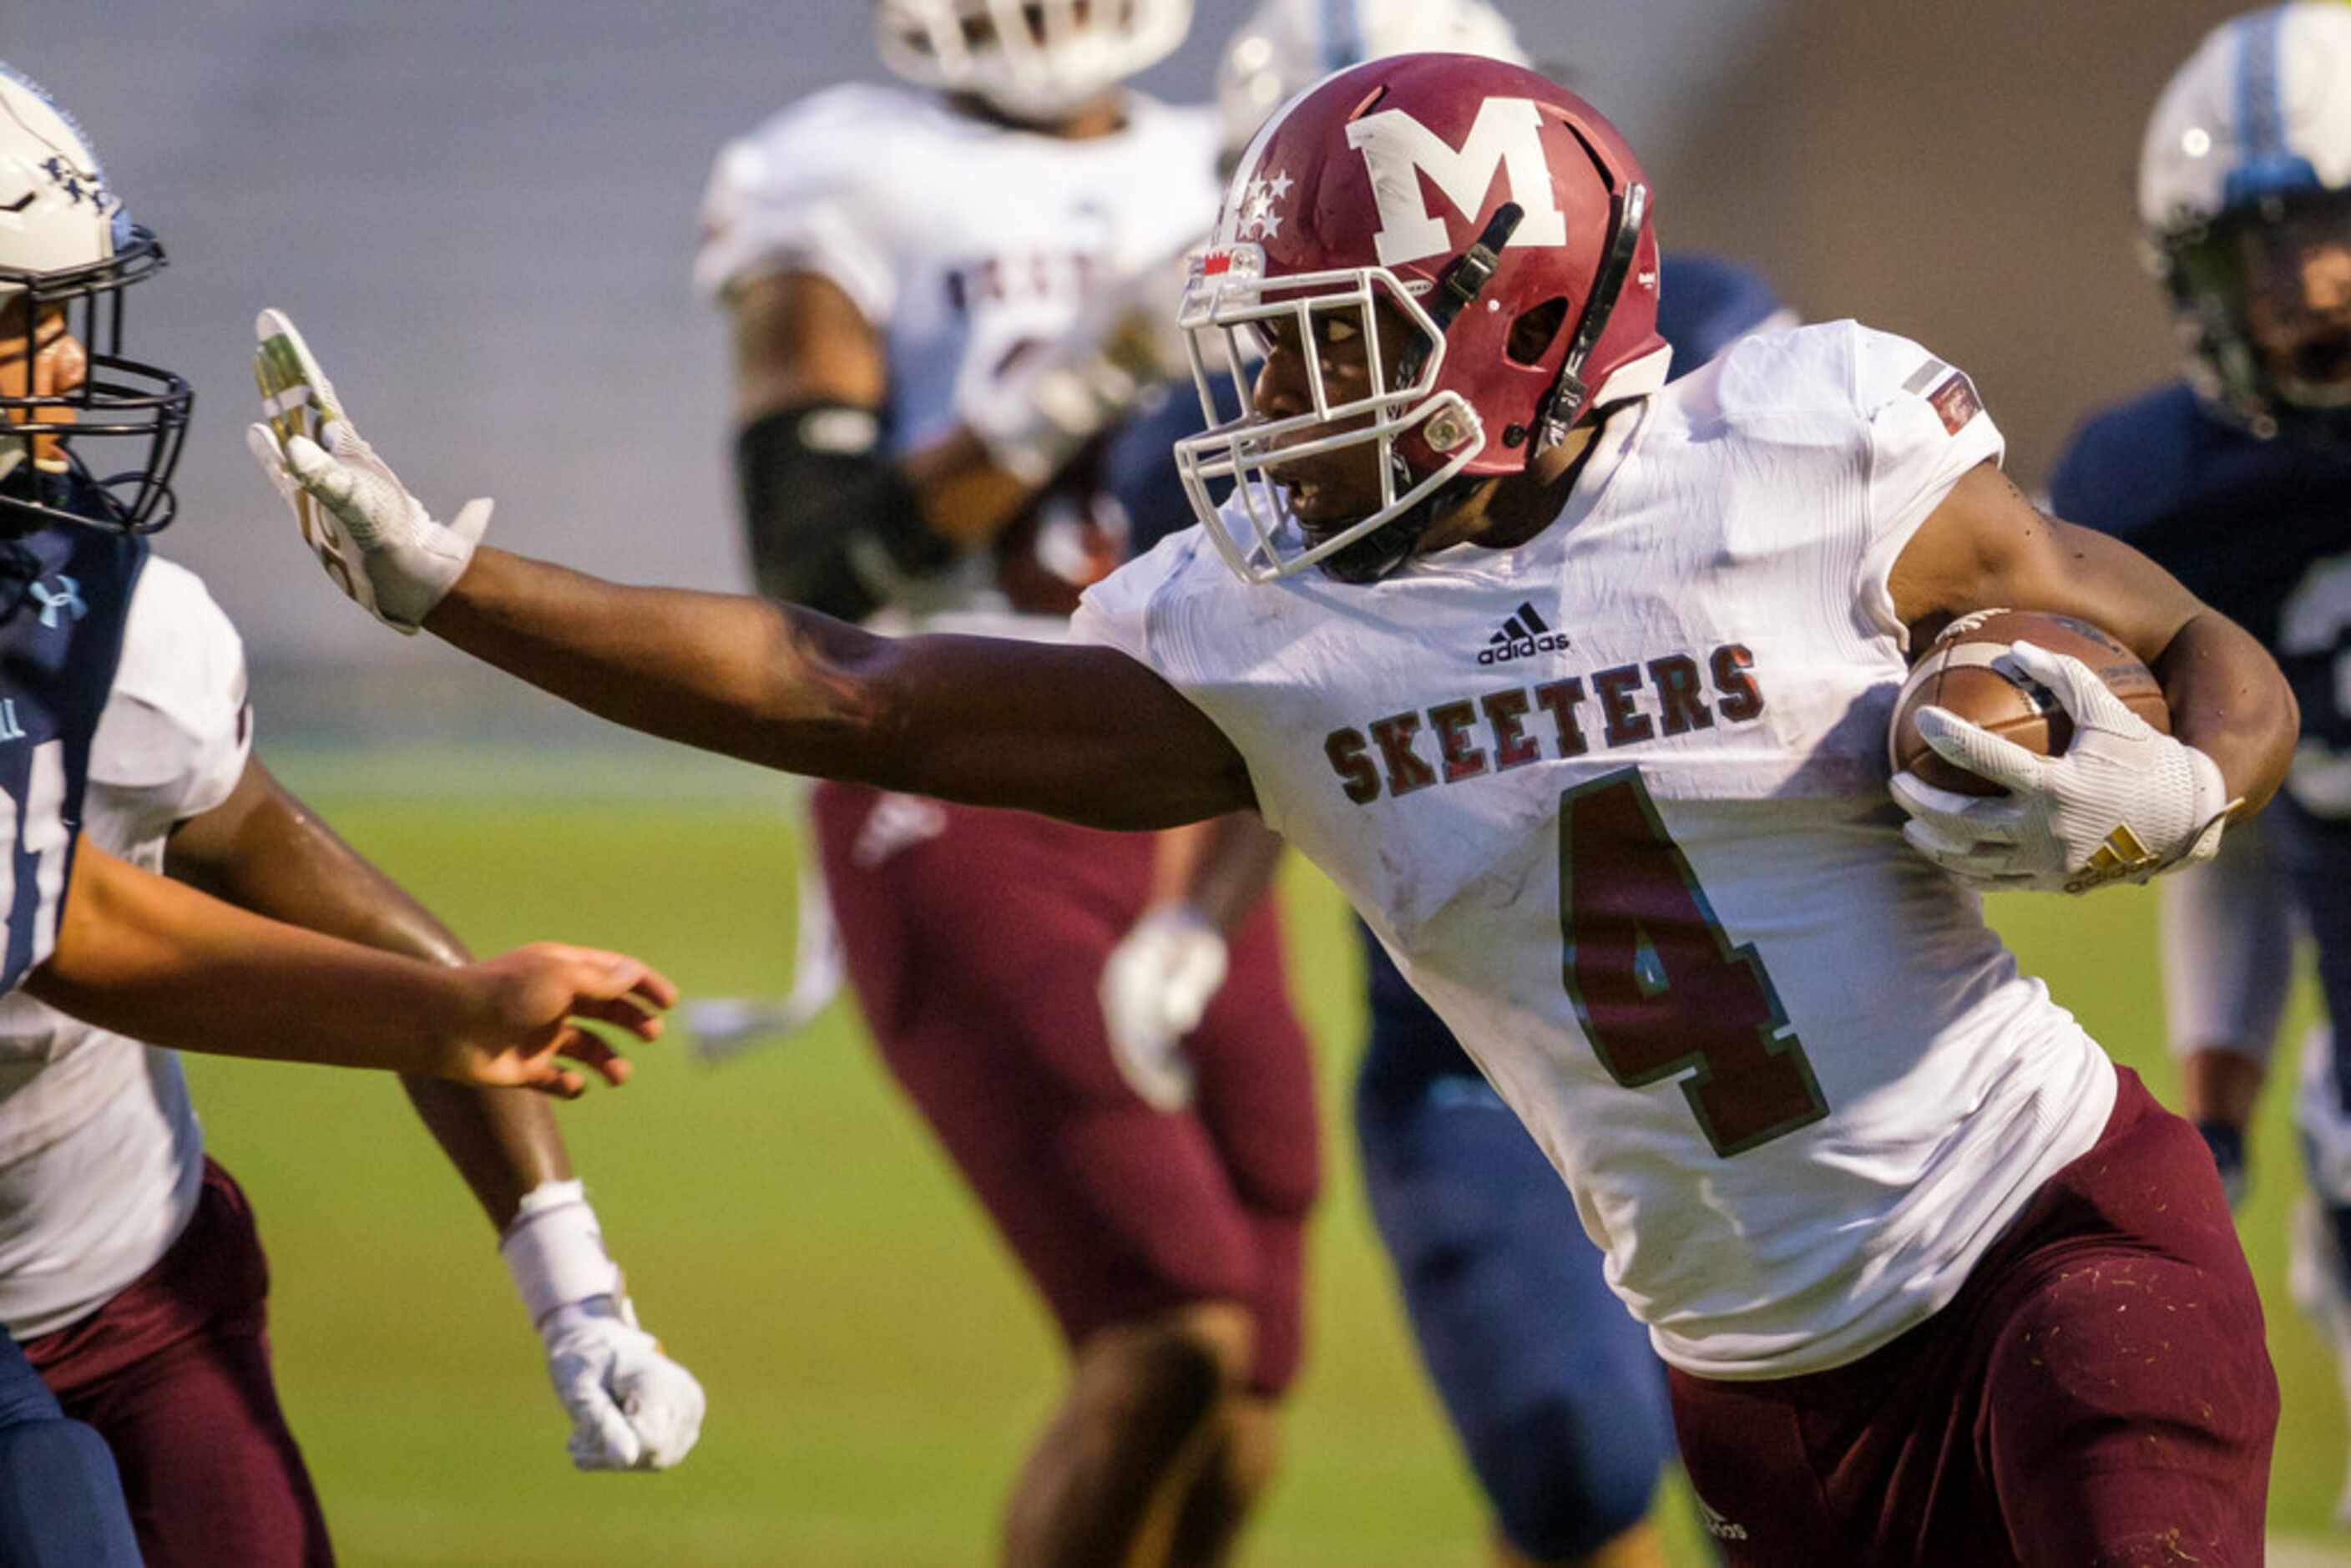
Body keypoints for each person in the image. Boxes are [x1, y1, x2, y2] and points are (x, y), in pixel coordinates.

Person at [255, 50, 2291, 1566]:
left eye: (1338, 356)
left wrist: (2179, 777)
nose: (1275, 425)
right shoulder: (1265, 632)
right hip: (1753, 1382)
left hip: (2053, 1250)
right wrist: (456, 588)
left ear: (1515, 324)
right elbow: (847, 688)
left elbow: (2198, 640)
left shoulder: (1802, 449)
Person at [1095, 7, 1792, 1565]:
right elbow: (1256, 700)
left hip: (1770, 1027)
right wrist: (1194, 915)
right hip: (1481, 1044)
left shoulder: (1738, 369)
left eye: (1343, 265)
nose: (1281, 358)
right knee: (1574, 1464)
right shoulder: (1212, 437)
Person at [0, 60, 684, 1566]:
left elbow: (350, 916)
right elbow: (64, 930)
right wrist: (441, 1015)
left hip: (135, 1278)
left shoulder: (120, 634)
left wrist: (577, 1287)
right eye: (10, 323)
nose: (57, 367)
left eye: (55, 313)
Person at [690, 3, 1318, 1562]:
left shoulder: (1230, 153)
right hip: (961, 747)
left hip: (1193, 752)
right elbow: (811, 559)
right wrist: (1081, 376)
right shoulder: (838, 170)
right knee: (1172, 1321)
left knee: (1254, 1378)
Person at [2046, 0, 2351, 1526]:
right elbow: (2245, 811)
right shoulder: (2172, 497)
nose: (2305, 297)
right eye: (2257, 256)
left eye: (2331, 238)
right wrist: (2218, 1107)